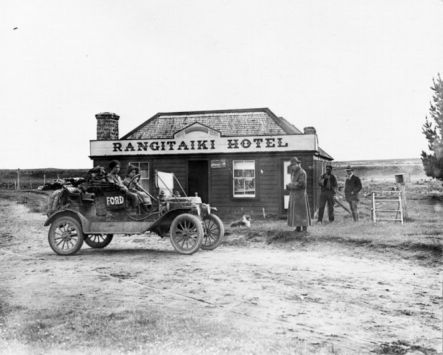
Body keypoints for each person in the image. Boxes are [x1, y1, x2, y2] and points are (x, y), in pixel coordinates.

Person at [286, 157, 311, 232]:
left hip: (301, 195)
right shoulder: (294, 172)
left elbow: (302, 184)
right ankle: (298, 227)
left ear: (298, 164)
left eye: (294, 165)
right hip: (295, 195)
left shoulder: (302, 172)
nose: (293, 166)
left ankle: (304, 228)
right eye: (292, 165)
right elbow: (295, 183)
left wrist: (291, 185)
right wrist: (290, 186)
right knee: (296, 212)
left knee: (302, 212)